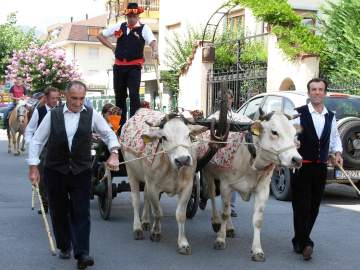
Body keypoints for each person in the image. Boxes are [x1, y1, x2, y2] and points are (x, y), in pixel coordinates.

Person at [28, 81, 120, 269]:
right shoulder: (53, 115)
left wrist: (114, 153)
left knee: (81, 211)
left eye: (82, 99)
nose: (78, 103)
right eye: (74, 98)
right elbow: (37, 141)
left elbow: (109, 134)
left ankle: (82, 253)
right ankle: (64, 245)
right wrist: (33, 166)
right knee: (59, 211)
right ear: (65, 96)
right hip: (55, 170)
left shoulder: (92, 114)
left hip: (81, 171)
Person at [291, 78, 343, 260]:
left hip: (320, 167)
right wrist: (294, 142)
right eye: (313, 89)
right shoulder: (298, 114)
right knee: (301, 206)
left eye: (320, 90)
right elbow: (290, 136)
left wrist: (337, 153)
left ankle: (299, 240)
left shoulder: (331, 115)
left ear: (325, 93)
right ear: (308, 93)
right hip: (301, 167)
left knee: (314, 207)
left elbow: (335, 138)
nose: (317, 93)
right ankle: (306, 243)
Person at [97, 2, 158, 128]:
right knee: (119, 97)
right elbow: (100, 35)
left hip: (134, 67)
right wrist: (111, 47)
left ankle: (134, 125)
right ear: (126, 16)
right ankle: (119, 127)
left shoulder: (144, 28)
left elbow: (152, 41)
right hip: (119, 67)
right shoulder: (120, 26)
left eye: (133, 16)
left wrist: (155, 50)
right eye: (129, 16)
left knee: (134, 95)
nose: (131, 18)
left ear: (138, 16)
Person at [25, 87, 60, 214]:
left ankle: (59, 202)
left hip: (59, 148)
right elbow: (29, 130)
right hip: (44, 149)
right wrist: (31, 144)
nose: (56, 101)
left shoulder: (61, 111)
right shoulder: (39, 111)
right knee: (43, 177)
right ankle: (45, 204)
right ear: (46, 98)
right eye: (53, 98)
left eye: (57, 98)